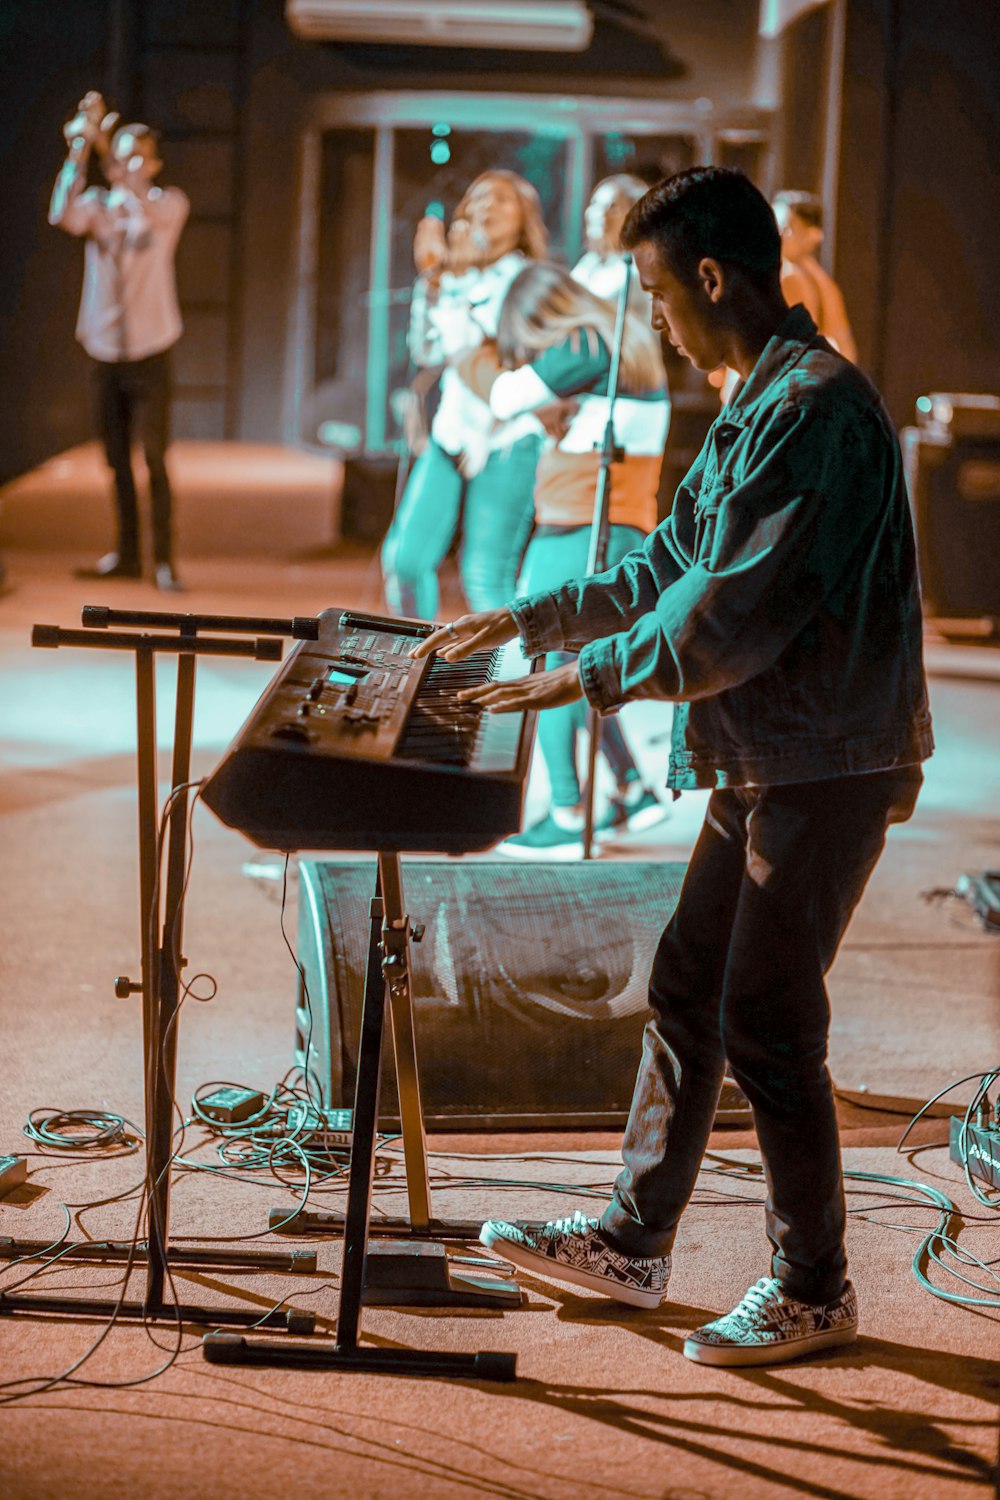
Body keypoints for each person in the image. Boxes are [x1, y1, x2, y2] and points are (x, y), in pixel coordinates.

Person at [413, 167, 933, 1367]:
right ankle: (633, 1244)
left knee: (765, 1020)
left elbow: (721, 625)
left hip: (822, 764)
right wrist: (523, 622)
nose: (647, 316)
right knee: (689, 988)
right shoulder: (756, 393)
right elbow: (662, 567)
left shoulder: (812, 410)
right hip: (767, 752)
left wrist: (574, 683)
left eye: (653, 291)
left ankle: (814, 1287)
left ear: (710, 277)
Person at [454, 262, 669, 854]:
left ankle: (569, 811)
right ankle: (628, 784)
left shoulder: (584, 342)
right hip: (614, 524)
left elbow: (502, 394)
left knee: (543, 661)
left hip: (579, 527)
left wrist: (467, 346)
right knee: (580, 661)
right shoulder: (617, 342)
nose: (528, 353)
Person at [380, 171, 548, 620]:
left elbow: (498, 354)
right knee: (404, 559)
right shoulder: (455, 277)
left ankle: (503, 684)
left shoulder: (530, 279)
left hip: (507, 439)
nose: (486, 209)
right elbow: (428, 349)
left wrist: (447, 280)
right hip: (452, 435)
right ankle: (414, 671)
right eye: (477, 199)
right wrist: (433, 281)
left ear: (523, 219)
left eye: (501, 201)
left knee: (485, 576)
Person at [49, 95, 189, 591]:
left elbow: (144, 201)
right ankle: (127, 555)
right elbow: (60, 212)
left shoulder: (168, 204)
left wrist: (112, 153)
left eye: (137, 156)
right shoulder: (99, 208)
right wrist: (80, 151)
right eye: (123, 154)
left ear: (153, 163)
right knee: (116, 460)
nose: (128, 165)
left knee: (154, 458)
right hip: (105, 350)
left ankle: (165, 560)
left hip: (152, 349)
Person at [772, 190, 857, 362]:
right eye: (774, 226)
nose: (778, 235)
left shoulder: (789, 277)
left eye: (786, 229)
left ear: (813, 235)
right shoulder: (823, 281)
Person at [572, 174, 649, 308]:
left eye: (613, 207)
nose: (599, 213)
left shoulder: (638, 272)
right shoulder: (588, 262)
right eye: (595, 204)